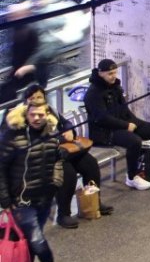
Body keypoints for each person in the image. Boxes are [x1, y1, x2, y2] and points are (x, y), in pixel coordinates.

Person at [5, 84, 113, 227]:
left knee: (90, 164)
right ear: (26, 101)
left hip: (62, 151)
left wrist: (69, 130)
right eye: (32, 98)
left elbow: (65, 123)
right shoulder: (21, 118)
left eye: (39, 97)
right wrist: (60, 139)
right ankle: (64, 214)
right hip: (40, 159)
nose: (36, 100)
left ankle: (94, 201)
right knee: (68, 173)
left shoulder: (50, 111)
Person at [0, 100, 61, 262]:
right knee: (37, 241)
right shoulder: (13, 138)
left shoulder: (51, 136)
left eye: (40, 115)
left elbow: (57, 159)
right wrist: (5, 201)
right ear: (26, 115)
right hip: (21, 202)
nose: (36, 118)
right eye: (33, 114)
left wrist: (56, 181)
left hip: (43, 198)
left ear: (46, 114)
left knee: (30, 241)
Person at [84, 59, 150, 191]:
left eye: (115, 73)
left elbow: (124, 109)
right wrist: (126, 125)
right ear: (100, 73)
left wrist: (135, 122)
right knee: (135, 142)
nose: (113, 76)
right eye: (110, 73)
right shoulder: (93, 93)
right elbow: (102, 118)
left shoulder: (115, 87)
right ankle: (132, 176)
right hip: (104, 132)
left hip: (121, 124)